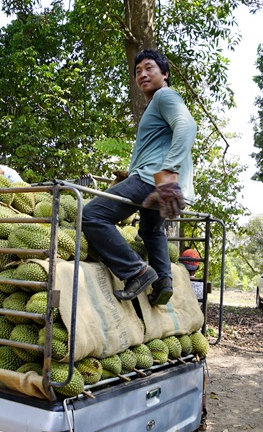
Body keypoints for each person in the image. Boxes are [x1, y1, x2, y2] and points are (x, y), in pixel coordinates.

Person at [82, 49, 196, 306]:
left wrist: (167, 173)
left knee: (91, 215)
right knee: (151, 230)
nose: (142, 74)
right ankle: (164, 281)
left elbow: (187, 125)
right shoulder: (156, 105)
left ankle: (137, 271)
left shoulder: (164, 96)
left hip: (151, 180)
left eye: (149, 68)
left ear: (165, 74)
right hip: (157, 182)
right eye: (137, 71)